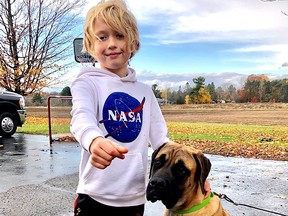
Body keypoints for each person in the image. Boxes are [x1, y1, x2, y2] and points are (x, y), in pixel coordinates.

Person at [70, 0, 210, 215]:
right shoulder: (86, 82)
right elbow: (81, 118)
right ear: (89, 44)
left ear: (134, 44)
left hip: (134, 198)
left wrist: (199, 178)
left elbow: (162, 141)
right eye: (102, 37)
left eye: (120, 35)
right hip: (95, 195)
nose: (111, 44)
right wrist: (94, 140)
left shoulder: (144, 91)